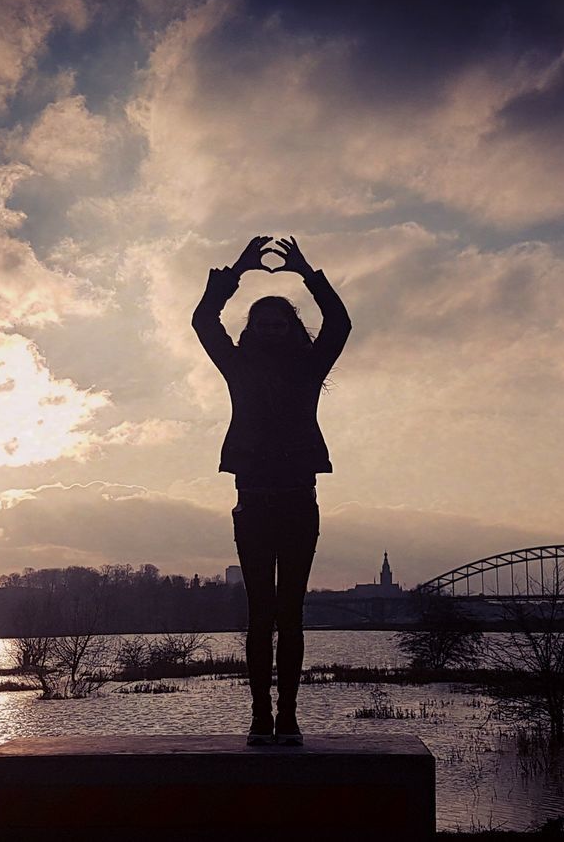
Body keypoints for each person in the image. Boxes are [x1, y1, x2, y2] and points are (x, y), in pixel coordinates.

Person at [192, 235, 351, 746]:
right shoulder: (238, 368)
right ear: (252, 330)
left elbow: (341, 325)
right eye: (263, 324)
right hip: (254, 503)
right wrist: (235, 271)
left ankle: (289, 716)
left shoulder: (309, 368)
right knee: (262, 615)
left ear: (292, 329)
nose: (271, 330)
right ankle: (261, 716)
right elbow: (203, 323)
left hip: (299, 503)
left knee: (291, 615)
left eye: (279, 324)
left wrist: (308, 274)